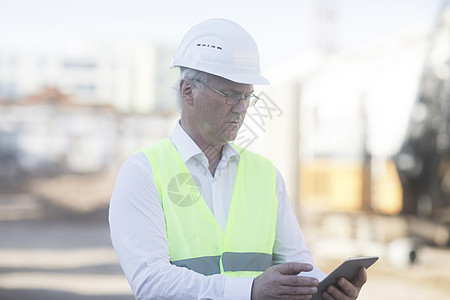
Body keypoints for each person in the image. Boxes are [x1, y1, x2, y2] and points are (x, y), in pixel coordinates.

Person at [109, 18, 367, 300]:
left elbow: (297, 267)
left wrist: (326, 288)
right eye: (230, 95)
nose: (242, 108)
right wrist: (251, 290)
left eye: (248, 96)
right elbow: (152, 284)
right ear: (188, 91)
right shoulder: (143, 173)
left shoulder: (265, 174)